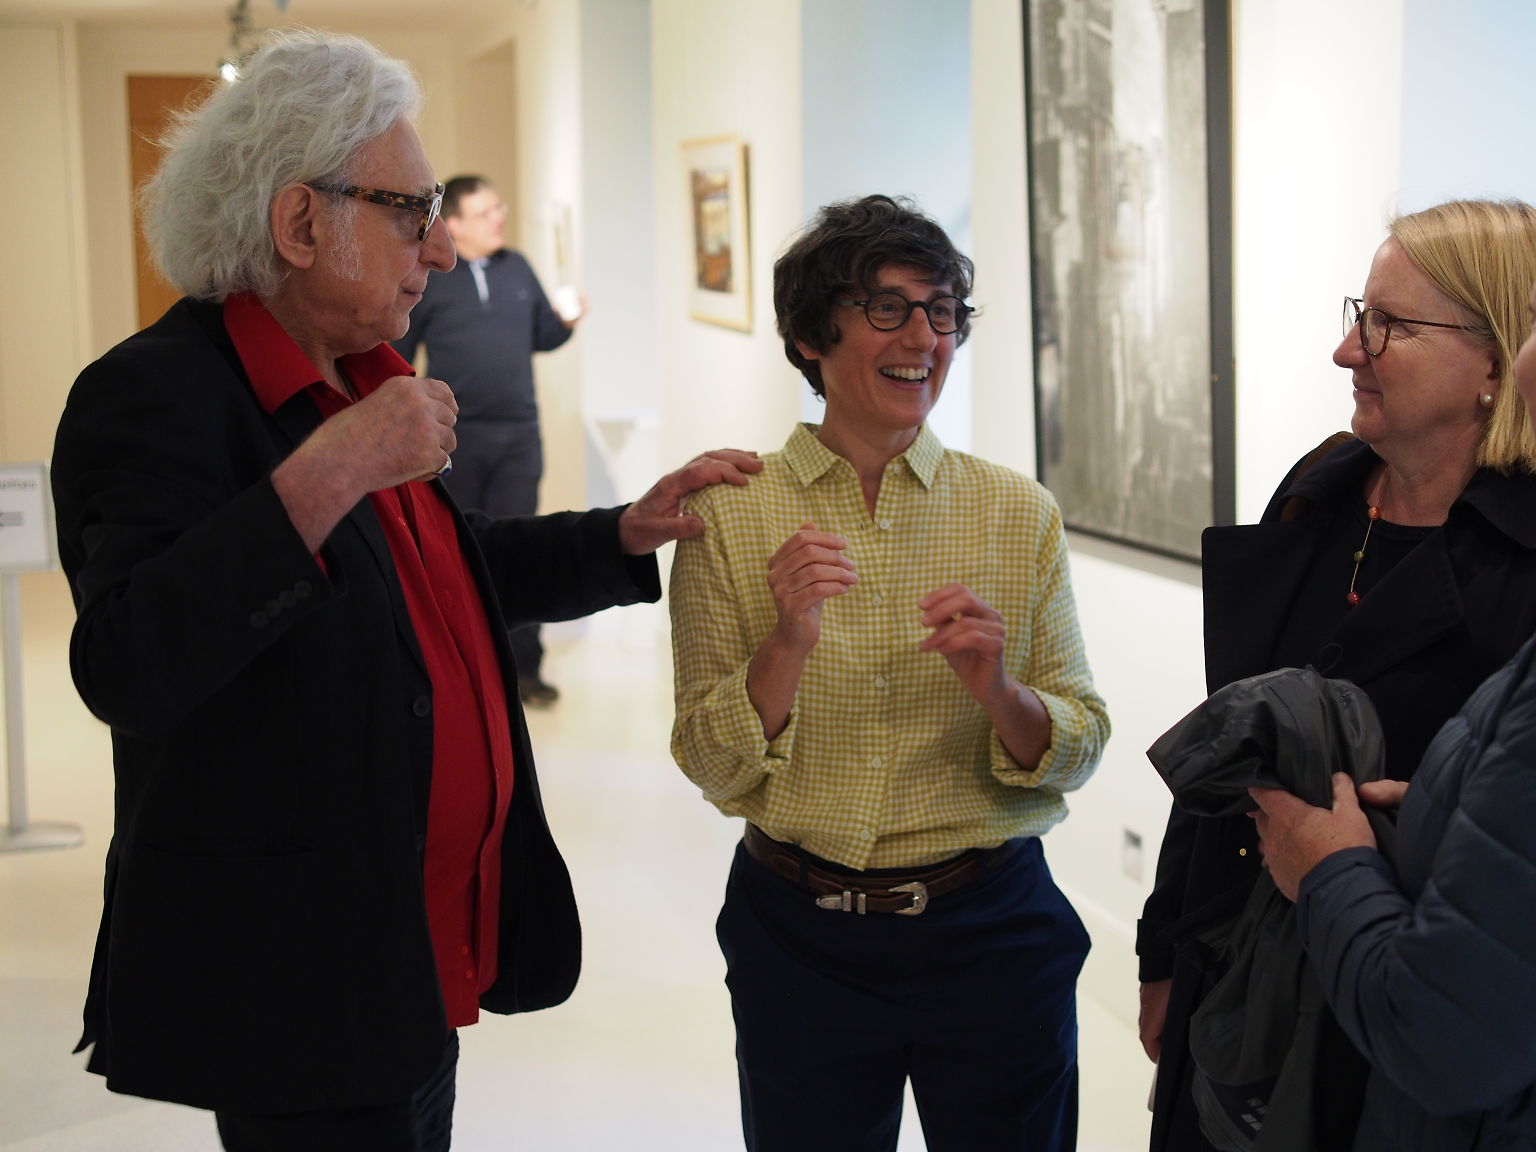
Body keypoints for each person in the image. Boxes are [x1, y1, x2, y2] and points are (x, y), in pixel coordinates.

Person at [49, 31, 758, 1152]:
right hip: (302, 978)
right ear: (300, 224)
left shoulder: (361, 377)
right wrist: (329, 470)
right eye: (409, 212)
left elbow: (444, 573)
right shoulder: (154, 397)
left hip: (413, 950)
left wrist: (622, 531)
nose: (437, 248)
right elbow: (130, 663)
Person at [668, 194, 1110, 1152]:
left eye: (941, 310)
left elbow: (1080, 747)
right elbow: (707, 758)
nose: (923, 338)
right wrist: (786, 644)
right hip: (800, 938)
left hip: (993, 929)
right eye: (887, 308)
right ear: (809, 337)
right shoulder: (730, 514)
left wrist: (1000, 692)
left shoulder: (1016, 511)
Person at [1138, 198, 1536, 1151]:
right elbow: (1227, 735)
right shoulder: (1318, 491)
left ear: (1495, 365)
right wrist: (1163, 946)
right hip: (1231, 965)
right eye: (1362, 314)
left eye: (1390, 325)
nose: (1347, 350)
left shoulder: (1521, 565)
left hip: (1383, 1020)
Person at [393, 174, 580, 707]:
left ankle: (525, 671)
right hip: (454, 439)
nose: (499, 218)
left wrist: (568, 322)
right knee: (456, 551)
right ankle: (460, 667)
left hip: (519, 435)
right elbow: (399, 349)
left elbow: (543, 334)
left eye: (499, 208)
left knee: (523, 546)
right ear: (453, 224)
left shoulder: (517, 266)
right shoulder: (431, 278)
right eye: (485, 212)